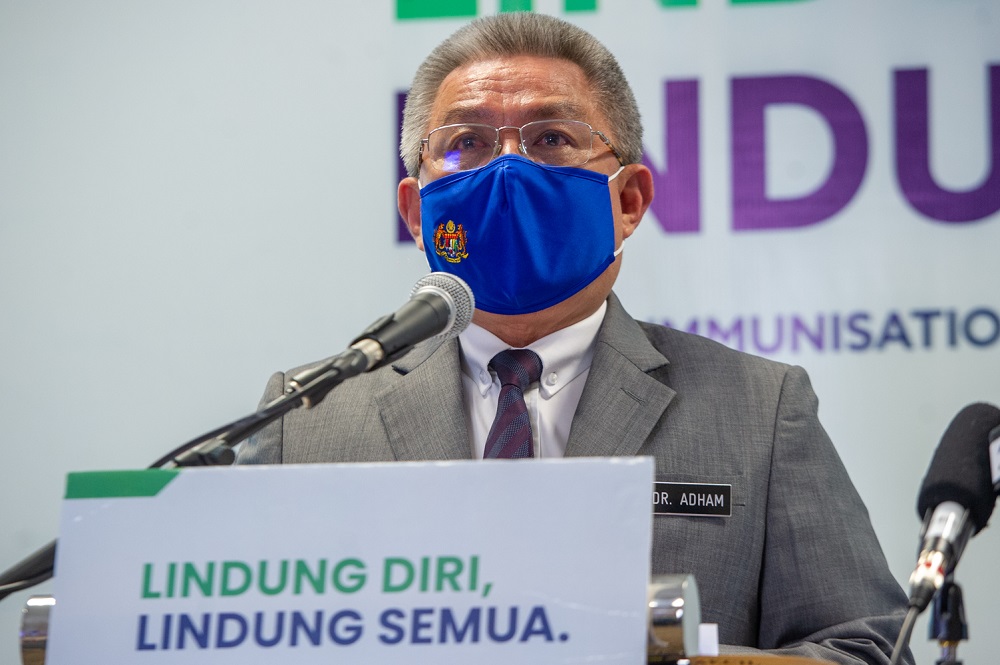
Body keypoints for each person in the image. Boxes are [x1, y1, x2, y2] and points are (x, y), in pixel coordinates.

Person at [238, 12, 912, 665]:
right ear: (416, 212)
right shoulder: (307, 422)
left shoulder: (760, 409)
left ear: (629, 201)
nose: (508, 170)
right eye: (466, 142)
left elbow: (867, 648)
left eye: (551, 138)